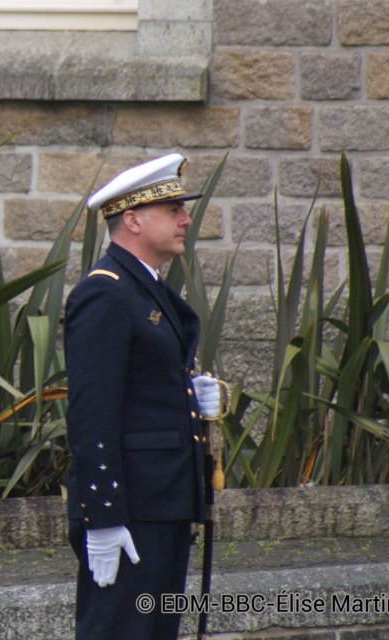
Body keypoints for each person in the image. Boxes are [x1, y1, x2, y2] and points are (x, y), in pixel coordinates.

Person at [64, 153, 222, 640]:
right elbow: (93, 415)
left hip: (165, 503)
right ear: (131, 219)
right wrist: (103, 518)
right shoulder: (105, 292)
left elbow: (142, 387)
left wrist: (191, 398)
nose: (186, 219)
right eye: (172, 208)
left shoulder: (148, 290)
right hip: (132, 511)